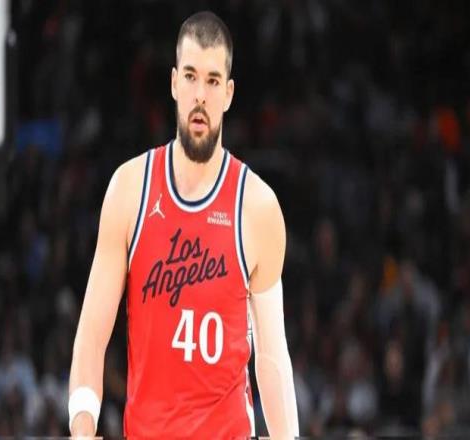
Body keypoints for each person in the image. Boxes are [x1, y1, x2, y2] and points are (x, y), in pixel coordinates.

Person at [68, 11, 299, 438]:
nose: (200, 95)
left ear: (228, 94)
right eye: (191, 77)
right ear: (174, 83)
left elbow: (271, 357)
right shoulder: (130, 189)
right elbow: (91, 337)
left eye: (212, 80)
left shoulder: (257, 206)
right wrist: (82, 425)